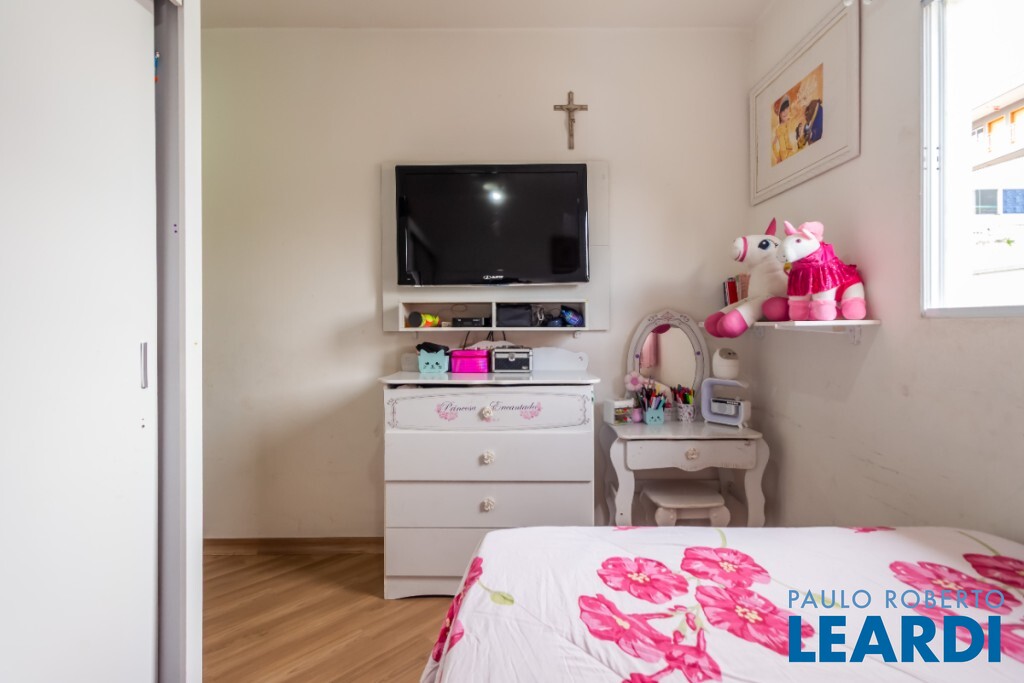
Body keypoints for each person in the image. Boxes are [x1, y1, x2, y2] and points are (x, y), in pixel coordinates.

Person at [771, 95, 796, 164]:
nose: (785, 112)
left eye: (786, 108)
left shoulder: (790, 122)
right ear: (779, 114)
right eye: (782, 110)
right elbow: (773, 144)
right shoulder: (778, 129)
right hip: (784, 157)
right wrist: (778, 157)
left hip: (791, 153)